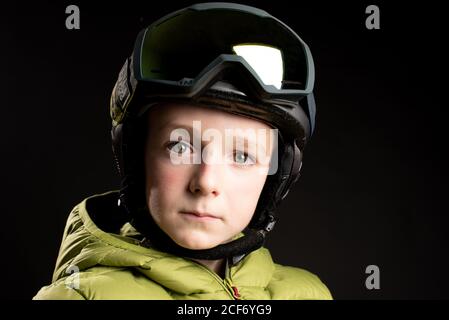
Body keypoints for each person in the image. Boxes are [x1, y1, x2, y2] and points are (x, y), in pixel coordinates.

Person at [34, 2, 332, 300]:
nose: (206, 183)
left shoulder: (309, 295)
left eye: (242, 156)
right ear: (138, 156)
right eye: (180, 147)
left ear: (277, 176)